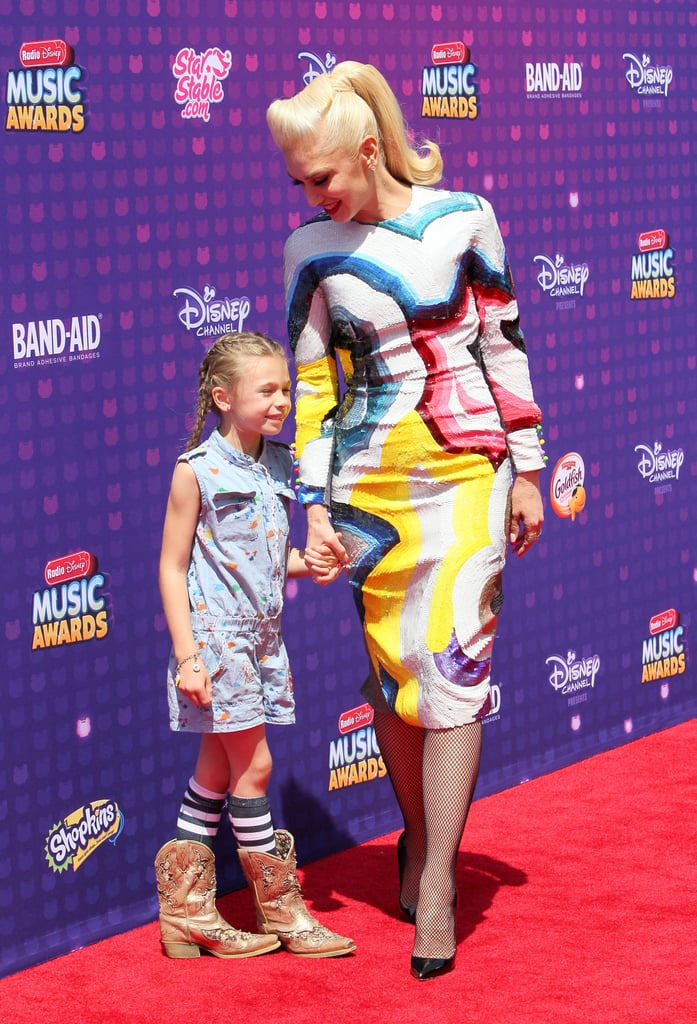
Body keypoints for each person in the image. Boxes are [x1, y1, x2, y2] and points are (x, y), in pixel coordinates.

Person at [266, 61, 545, 980]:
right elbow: (309, 388)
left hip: (467, 471)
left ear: (369, 149)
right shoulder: (308, 247)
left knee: (456, 672)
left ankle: (437, 890)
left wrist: (528, 468)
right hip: (367, 491)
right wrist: (309, 506)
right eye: (301, 181)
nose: (311, 194)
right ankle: (419, 845)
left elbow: (500, 339)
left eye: (323, 176)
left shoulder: (464, 215)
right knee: (395, 681)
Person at [155, 331, 355, 960]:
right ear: (222, 397)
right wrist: (188, 657)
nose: (281, 400)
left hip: (264, 641)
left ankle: (184, 915)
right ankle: (283, 911)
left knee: (217, 770)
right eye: (266, 390)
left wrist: (309, 563)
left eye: (285, 389)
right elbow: (171, 566)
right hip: (217, 644)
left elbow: (260, 559)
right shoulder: (196, 470)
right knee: (257, 767)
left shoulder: (277, 464)